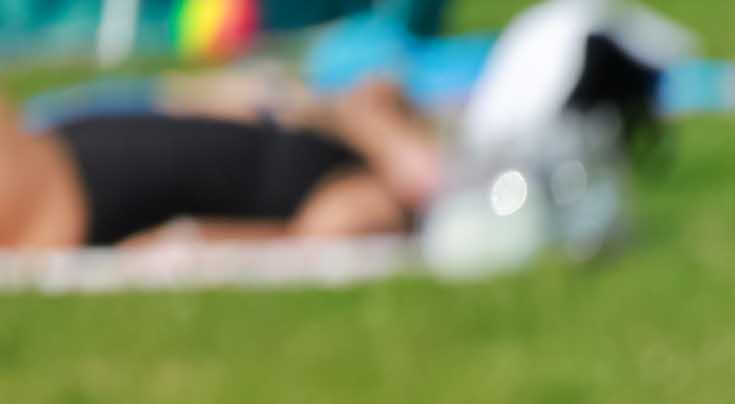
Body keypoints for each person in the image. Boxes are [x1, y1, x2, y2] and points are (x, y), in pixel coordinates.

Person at [0, 82, 440, 251]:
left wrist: (197, 237)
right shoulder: (318, 128)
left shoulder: (364, 195)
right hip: (80, 158)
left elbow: (312, 238)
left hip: (86, 191)